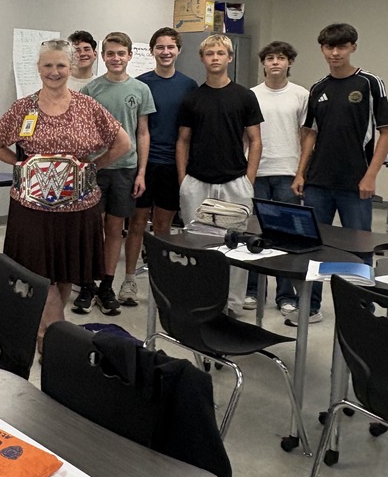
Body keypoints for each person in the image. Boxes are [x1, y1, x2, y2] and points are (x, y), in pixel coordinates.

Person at [0, 39, 130, 350]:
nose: (54, 72)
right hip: (32, 208)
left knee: (65, 274)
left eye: (61, 65)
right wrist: (20, 165)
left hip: (78, 207)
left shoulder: (87, 105)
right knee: (41, 276)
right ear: (39, 69)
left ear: (71, 68)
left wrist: (95, 165)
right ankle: (53, 336)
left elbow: (123, 143)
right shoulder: (23, 107)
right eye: (48, 66)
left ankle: (46, 334)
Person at [291, 23, 388, 323]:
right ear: (322, 49)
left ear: (353, 48)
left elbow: (386, 133)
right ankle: (310, 307)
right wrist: (301, 174)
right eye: (329, 47)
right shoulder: (318, 88)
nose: (335, 53)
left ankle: (362, 309)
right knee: (314, 246)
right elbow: (309, 133)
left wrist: (371, 175)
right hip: (318, 183)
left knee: (359, 249)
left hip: (355, 183)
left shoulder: (370, 83)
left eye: (342, 46)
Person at [176, 34, 262, 315]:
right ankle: (199, 298)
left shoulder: (245, 96)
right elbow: (183, 141)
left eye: (220, 53)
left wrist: (248, 180)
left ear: (229, 57)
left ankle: (232, 304)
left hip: (235, 182)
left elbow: (255, 140)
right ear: (202, 59)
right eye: (209, 53)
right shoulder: (192, 98)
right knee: (197, 244)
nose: (215, 57)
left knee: (235, 245)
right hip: (197, 182)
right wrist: (183, 181)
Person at [79, 32, 154, 314]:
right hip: (95, 170)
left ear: (130, 56)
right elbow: (83, 133)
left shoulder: (140, 90)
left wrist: (141, 172)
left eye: (121, 53)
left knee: (114, 230)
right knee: (92, 230)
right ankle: (88, 284)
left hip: (126, 170)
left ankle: (107, 285)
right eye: (110, 53)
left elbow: (142, 132)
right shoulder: (91, 90)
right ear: (103, 56)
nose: (116, 58)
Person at [122, 28, 197, 305]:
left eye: (171, 47)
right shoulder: (141, 84)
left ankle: (160, 281)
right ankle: (129, 281)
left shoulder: (189, 86)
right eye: (160, 47)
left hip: (172, 166)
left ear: (178, 50)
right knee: (137, 224)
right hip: (143, 166)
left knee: (164, 226)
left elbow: (189, 133)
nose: (166, 52)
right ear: (152, 51)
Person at [246, 42, 308, 315]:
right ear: (263, 63)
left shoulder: (301, 95)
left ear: (290, 63)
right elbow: (245, 136)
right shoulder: (251, 95)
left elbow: (307, 137)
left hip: (287, 173)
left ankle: (285, 294)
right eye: (269, 58)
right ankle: (252, 290)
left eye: (280, 58)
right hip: (256, 172)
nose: (274, 63)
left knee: (285, 237)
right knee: (254, 234)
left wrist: (301, 172)